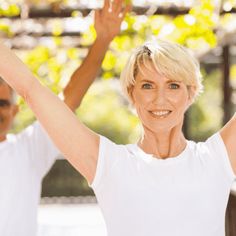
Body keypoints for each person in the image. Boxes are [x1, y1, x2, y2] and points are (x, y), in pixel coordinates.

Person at [0, 13, 235, 236]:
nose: (160, 98)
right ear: (132, 94)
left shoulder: (215, 159)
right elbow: (30, 89)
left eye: (173, 85)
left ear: (190, 93)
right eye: (147, 85)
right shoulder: (109, 164)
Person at [0, 0, 130, 235]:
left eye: (2, 104)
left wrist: (103, 40)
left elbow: (68, 101)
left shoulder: (28, 149)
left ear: (15, 110)